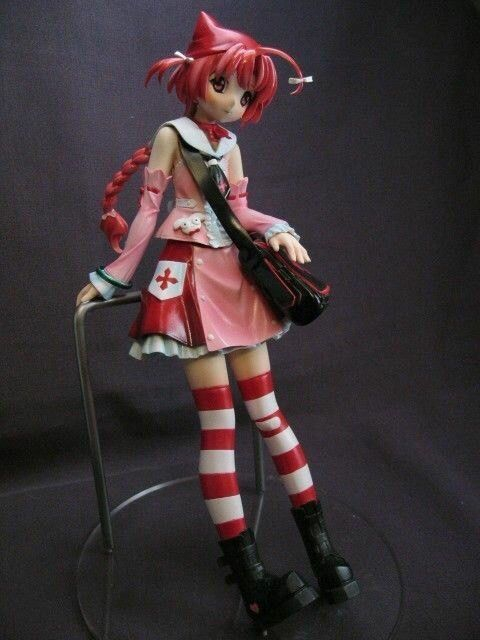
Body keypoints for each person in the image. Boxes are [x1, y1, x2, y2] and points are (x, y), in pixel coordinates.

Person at [76, 11, 359, 631]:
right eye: (224, 85)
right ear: (196, 77)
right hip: (191, 288)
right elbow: (148, 213)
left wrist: (278, 227)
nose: (234, 102)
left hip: (236, 282)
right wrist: (114, 276)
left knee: (270, 414)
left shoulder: (230, 145)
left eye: (246, 95)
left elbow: (241, 210)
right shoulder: (172, 135)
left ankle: (323, 551)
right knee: (220, 425)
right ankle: (252, 579)